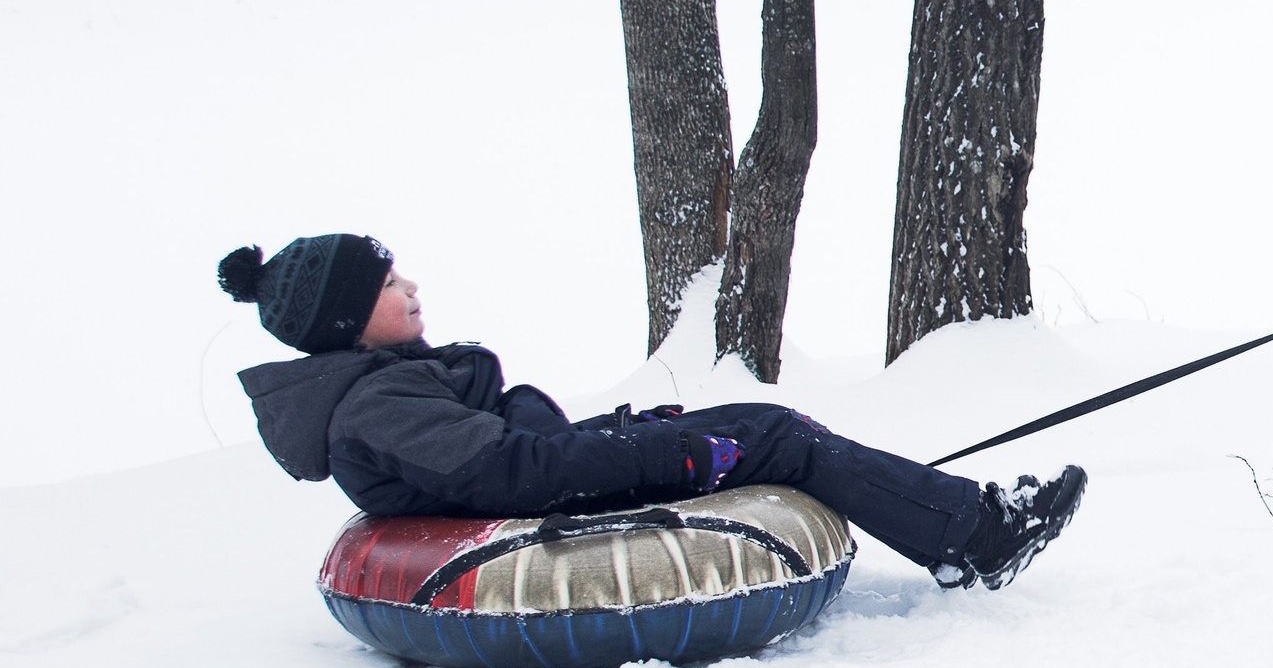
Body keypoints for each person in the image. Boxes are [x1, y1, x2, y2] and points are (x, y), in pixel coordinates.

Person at [218, 235, 1085, 591]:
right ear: (345, 322)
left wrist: (628, 425)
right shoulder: (380, 401)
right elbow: (511, 474)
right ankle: (977, 536)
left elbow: (509, 449)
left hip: (542, 487)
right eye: (386, 284)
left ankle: (958, 521)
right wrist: (674, 457)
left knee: (761, 417)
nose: (409, 289)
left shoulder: (384, 387)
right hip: (540, 516)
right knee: (775, 435)